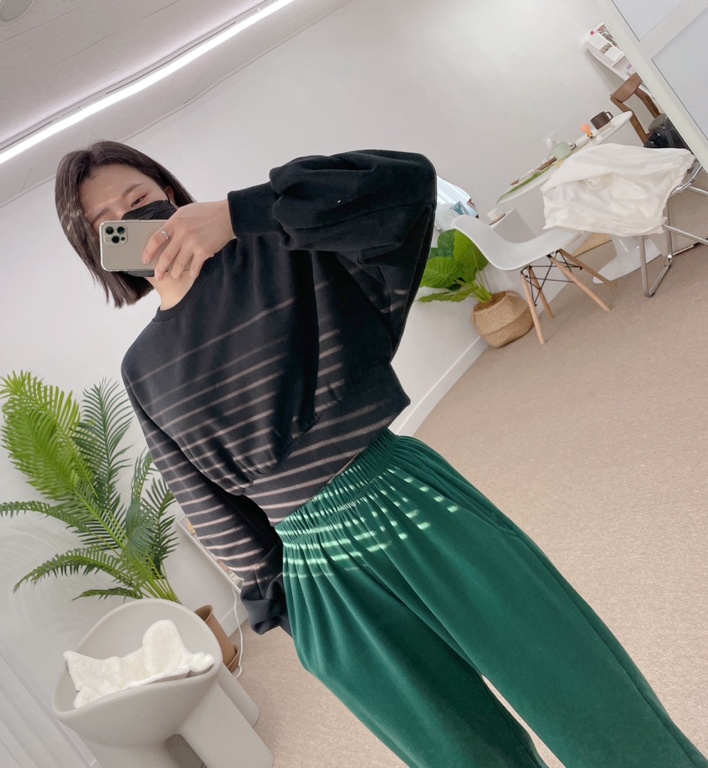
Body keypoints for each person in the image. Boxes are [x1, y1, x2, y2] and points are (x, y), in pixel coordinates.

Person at [54, 141, 707, 768]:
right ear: (99, 251)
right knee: (457, 755)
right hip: (317, 579)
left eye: (136, 198)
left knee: (572, 683)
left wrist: (237, 213)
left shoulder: (276, 251)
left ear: (171, 196)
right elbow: (207, 502)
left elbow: (404, 186)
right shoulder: (142, 368)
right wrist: (286, 613)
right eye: (107, 222)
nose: (130, 220)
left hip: (398, 496)